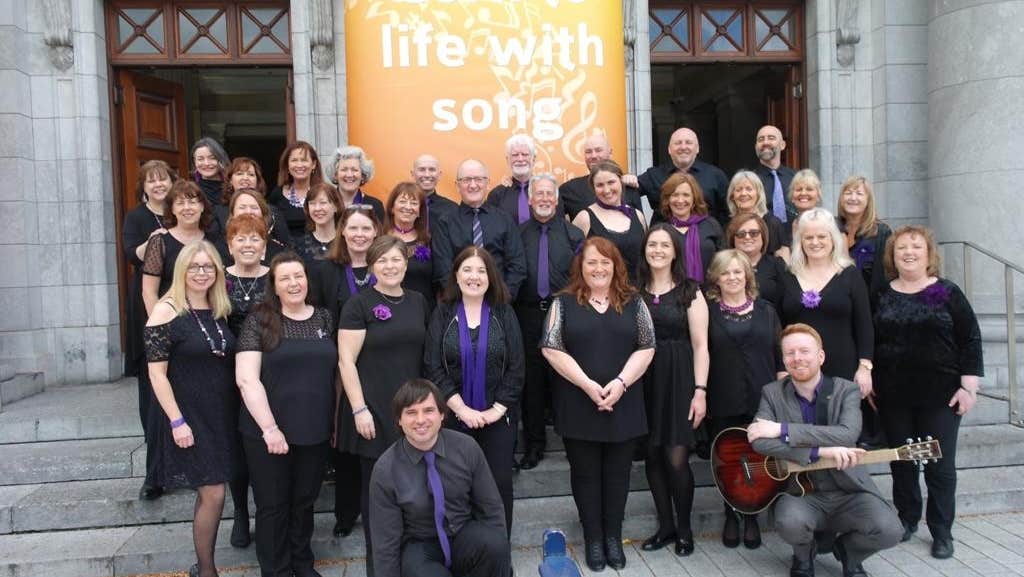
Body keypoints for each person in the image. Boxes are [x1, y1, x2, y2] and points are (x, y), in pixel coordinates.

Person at [747, 323, 903, 577]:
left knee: (890, 530)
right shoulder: (772, 393)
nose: (797, 358)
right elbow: (758, 440)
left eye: (804, 351)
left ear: (821, 356)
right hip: (800, 493)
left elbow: (847, 434)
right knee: (789, 522)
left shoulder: (846, 391)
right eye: (790, 353)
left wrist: (782, 429)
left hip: (848, 489)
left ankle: (849, 552)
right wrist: (818, 452)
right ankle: (804, 554)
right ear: (784, 359)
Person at [540, 237, 656, 572]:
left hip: (625, 401)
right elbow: (551, 348)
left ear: (616, 265)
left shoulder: (633, 301)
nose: (599, 268)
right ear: (581, 266)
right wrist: (588, 385)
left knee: (618, 476)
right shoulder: (563, 303)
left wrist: (620, 383)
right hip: (579, 402)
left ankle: (612, 538)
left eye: (606, 262)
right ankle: (593, 539)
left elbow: (647, 346)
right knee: (586, 475)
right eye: (592, 262)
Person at [874, 225, 983, 559]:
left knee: (938, 464)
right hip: (894, 396)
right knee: (902, 464)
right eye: (901, 248)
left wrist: (969, 385)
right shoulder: (881, 293)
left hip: (941, 395)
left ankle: (941, 531)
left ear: (928, 254)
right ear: (892, 256)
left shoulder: (943, 292)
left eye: (916, 247)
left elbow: (970, 338)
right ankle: (906, 519)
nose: (908, 252)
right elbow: (870, 341)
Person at [235, 253, 337, 577]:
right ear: (275, 286)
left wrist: (334, 421)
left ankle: (302, 563)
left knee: (304, 501)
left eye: (299, 276)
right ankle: (276, 570)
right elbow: (246, 378)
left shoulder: (324, 318)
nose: (294, 283)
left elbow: (334, 374)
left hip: (315, 429)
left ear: (307, 280)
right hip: (267, 433)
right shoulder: (259, 320)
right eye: (285, 278)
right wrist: (269, 428)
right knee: (273, 506)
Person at [338, 236, 430, 575]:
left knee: (414, 497)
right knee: (378, 502)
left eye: (397, 260)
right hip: (374, 413)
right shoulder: (359, 305)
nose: (391, 266)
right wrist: (359, 409)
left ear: (406, 264)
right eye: (383, 261)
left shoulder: (419, 301)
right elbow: (346, 361)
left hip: (414, 416)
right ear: (372, 266)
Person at [143, 240, 236, 577]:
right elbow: (156, 374)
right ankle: (207, 570)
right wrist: (177, 421)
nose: (201, 273)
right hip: (189, 416)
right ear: (182, 269)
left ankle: (203, 567)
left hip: (220, 414)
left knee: (211, 491)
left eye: (208, 267)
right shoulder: (166, 310)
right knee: (213, 493)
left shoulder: (219, 308)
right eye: (194, 266)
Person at [426, 246, 524, 536]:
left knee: (499, 484)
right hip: (455, 417)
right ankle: (464, 547)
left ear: (490, 277)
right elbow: (433, 366)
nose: (474, 276)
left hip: (499, 418)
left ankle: (498, 549)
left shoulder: (504, 312)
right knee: (456, 485)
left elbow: (517, 367)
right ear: (456, 275)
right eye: (467, 269)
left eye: (481, 270)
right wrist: (462, 410)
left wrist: (496, 409)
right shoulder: (442, 313)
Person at [369, 379, 511, 577]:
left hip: (462, 533)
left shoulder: (466, 447)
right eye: (411, 412)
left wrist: (501, 556)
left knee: (494, 544)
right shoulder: (385, 469)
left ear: (442, 414)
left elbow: (491, 508)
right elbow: (385, 542)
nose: (420, 420)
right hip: (421, 544)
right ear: (399, 420)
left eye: (428, 410)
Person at [636, 224, 709, 557]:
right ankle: (665, 526)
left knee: (676, 458)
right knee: (652, 454)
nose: (658, 250)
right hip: (643, 379)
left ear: (676, 250)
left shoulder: (690, 291)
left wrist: (700, 391)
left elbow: (701, 346)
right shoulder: (633, 291)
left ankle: (684, 529)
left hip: (680, 378)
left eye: (665, 245)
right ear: (645, 249)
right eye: (653, 244)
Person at [704, 249, 784, 550]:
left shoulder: (767, 310)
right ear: (717, 279)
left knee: (758, 458)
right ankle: (730, 513)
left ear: (747, 275)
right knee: (728, 459)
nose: (732, 277)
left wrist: (782, 397)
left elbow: (779, 358)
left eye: (738, 272)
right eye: (726, 273)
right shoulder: (708, 312)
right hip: (723, 396)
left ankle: (751, 516)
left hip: (762, 398)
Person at [309, 204, 380, 537]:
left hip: (382, 364)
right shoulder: (327, 271)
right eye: (353, 229)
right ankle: (346, 513)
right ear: (342, 232)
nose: (359, 235)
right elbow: (319, 314)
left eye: (366, 229)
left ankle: (380, 509)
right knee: (347, 441)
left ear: (376, 232)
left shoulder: (387, 266)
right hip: (341, 366)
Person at [515, 174, 584, 470]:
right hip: (527, 314)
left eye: (548, 194)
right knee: (531, 382)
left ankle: (571, 440)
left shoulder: (573, 235)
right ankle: (534, 444)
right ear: (530, 200)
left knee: (565, 378)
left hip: (563, 313)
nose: (543, 199)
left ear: (556, 200)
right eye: (538, 194)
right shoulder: (516, 234)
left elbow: (582, 277)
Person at [122, 159, 176, 501]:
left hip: (183, 307)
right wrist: (155, 239)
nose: (159, 185)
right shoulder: (137, 218)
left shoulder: (179, 213)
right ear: (143, 185)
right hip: (150, 309)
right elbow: (133, 254)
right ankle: (154, 474)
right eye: (152, 181)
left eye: (164, 180)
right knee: (153, 400)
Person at [780, 208, 873, 402]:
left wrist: (864, 368)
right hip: (799, 370)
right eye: (808, 237)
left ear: (833, 239)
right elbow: (779, 326)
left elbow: (864, 325)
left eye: (822, 236)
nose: (815, 242)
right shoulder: (788, 276)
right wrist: (782, 369)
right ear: (800, 242)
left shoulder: (850, 274)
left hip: (843, 371)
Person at [223, 213, 271, 548]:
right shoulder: (217, 278)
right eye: (241, 238)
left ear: (264, 245)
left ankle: (269, 511)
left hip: (269, 368)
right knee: (235, 447)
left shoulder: (276, 277)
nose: (248, 244)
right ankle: (241, 512)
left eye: (254, 238)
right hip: (225, 371)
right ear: (229, 245)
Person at [431, 159, 527, 299]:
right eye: (466, 180)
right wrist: (463, 302)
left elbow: (517, 264)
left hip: (499, 304)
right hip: (458, 305)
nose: (473, 185)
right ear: (457, 186)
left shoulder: (504, 220)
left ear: (488, 183)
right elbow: (443, 270)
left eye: (478, 179)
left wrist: (503, 298)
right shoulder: (445, 223)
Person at [142, 181, 214, 318]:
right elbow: (149, 292)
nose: (187, 208)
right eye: (180, 203)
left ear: (202, 207)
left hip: (209, 318)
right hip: (171, 317)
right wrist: (159, 325)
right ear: (173, 209)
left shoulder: (215, 242)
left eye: (192, 202)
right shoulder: (160, 242)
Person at [571, 160, 647, 284]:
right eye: (600, 185)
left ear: (621, 182)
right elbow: (574, 263)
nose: (606, 190)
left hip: (637, 293)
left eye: (611, 182)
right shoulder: (584, 218)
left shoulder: (638, 216)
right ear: (593, 188)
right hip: (601, 297)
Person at [637, 127, 729, 224]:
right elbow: (625, 193)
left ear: (697, 148)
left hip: (705, 236)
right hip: (664, 236)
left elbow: (728, 211)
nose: (683, 147)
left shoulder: (715, 175)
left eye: (688, 142)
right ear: (669, 149)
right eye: (678, 143)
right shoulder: (653, 175)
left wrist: (717, 234)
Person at [560, 133, 642, 219]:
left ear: (610, 153)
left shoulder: (627, 185)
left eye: (598, 150)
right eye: (588, 152)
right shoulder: (570, 189)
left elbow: (639, 227)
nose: (593, 156)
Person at [486, 134, 564, 223]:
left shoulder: (550, 192)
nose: (520, 159)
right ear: (508, 160)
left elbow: (559, 227)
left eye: (525, 154)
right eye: (515, 155)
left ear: (533, 159)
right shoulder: (497, 195)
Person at [837, 176, 892, 304]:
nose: (853, 198)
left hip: (871, 304)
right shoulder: (832, 228)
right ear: (841, 199)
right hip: (840, 304)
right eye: (848, 193)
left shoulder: (881, 232)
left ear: (868, 200)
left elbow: (886, 274)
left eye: (859, 193)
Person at [659, 172, 722, 282]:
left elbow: (724, 261)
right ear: (668, 199)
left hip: (710, 293)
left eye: (686, 195)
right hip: (673, 294)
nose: (680, 200)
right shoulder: (661, 230)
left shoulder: (711, 225)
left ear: (694, 199)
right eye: (675, 195)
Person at [217, 157, 292, 250]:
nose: (245, 178)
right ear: (230, 180)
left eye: (251, 174)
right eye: (239, 174)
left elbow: (286, 244)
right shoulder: (218, 212)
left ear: (257, 181)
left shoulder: (272, 211)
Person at [384, 181, 436, 308]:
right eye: (402, 201)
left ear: (420, 211)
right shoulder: (379, 238)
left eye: (413, 203)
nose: (408, 207)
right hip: (386, 309)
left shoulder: (430, 240)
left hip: (423, 310)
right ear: (392, 207)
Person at [726, 213, 787, 310]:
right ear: (733, 239)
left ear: (763, 236)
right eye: (741, 234)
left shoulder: (777, 265)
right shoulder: (723, 266)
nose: (747, 237)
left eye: (753, 233)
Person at [268, 141, 324, 239]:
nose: (299, 165)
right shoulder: (276, 194)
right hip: (286, 252)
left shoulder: (325, 193)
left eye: (304, 160)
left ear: (313, 164)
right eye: (294, 160)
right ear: (287, 165)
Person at [725, 170, 789, 257]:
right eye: (738, 190)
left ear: (758, 194)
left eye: (749, 189)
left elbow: (782, 258)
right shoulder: (727, 224)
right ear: (732, 196)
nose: (743, 193)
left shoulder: (772, 223)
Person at [219, 189, 289, 265]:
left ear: (263, 213)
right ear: (232, 214)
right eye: (242, 207)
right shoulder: (220, 249)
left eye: (254, 207)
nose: (248, 212)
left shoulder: (279, 251)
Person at [751, 125, 798, 223]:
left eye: (771, 138)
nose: (765, 142)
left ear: (782, 145)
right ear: (756, 147)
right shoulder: (749, 181)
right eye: (761, 139)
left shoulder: (796, 178)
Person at [326, 145, 386, 221]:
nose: (349, 175)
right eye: (344, 169)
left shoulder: (375, 206)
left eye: (354, 170)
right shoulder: (326, 204)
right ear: (335, 174)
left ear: (363, 175)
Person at [294, 182, 342, 265]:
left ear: (336, 206)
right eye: (312, 203)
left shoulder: (346, 242)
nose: (317, 208)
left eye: (323, 203)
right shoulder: (298, 246)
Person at [410, 154, 458, 235]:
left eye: (432, 170)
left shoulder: (452, 209)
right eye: (422, 169)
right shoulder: (402, 208)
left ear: (439, 175)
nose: (427, 175)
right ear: (412, 174)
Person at [191, 137, 229, 206]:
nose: (206, 163)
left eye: (212, 158)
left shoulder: (232, 188)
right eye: (200, 159)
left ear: (220, 160)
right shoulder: (192, 190)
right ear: (194, 162)